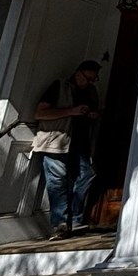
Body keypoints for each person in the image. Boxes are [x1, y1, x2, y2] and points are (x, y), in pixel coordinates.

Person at [32, 59, 101, 239]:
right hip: (56, 141)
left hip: (78, 142)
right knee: (57, 181)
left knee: (87, 175)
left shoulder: (90, 92)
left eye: (93, 79)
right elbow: (39, 113)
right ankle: (60, 224)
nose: (90, 83)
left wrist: (91, 114)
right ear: (78, 73)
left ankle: (75, 220)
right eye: (88, 78)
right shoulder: (59, 87)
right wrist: (71, 111)